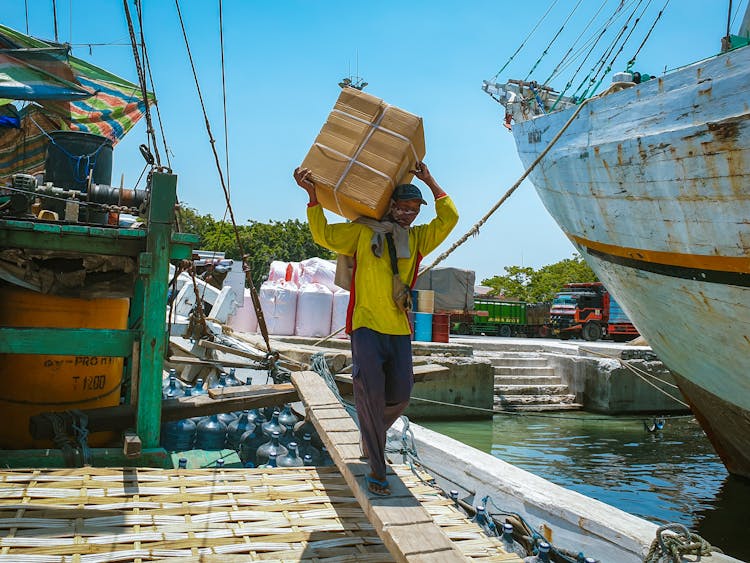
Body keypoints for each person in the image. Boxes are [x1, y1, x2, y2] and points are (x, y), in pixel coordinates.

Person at [293, 162, 458, 496]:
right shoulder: (362, 231)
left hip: (398, 328)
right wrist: (312, 195)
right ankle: (377, 470)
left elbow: (450, 218)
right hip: (365, 325)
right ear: (391, 206)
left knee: (401, 394)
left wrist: (429, 179)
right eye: (404, 207)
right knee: (370, 395)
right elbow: (323, 235)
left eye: (414, 210)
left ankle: (372, 433)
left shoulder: (418, 239)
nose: (409, 214)